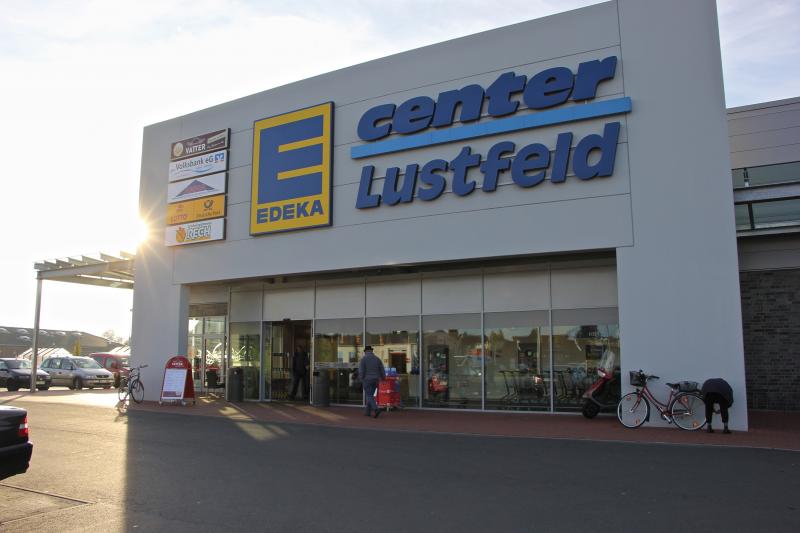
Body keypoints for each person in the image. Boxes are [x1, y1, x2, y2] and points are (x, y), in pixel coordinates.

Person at [359, 346, 385, 418]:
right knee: (370, 395)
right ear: (371, 351)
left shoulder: (363, 359)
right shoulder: (377, 359)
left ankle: (376, 409)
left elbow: (361, 371)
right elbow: (382, 369)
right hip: (376, 380)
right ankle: (367, 412)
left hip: (367, 380)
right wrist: (383, 378)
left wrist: (361, 379)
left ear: (365, 351)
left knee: (369, 396)